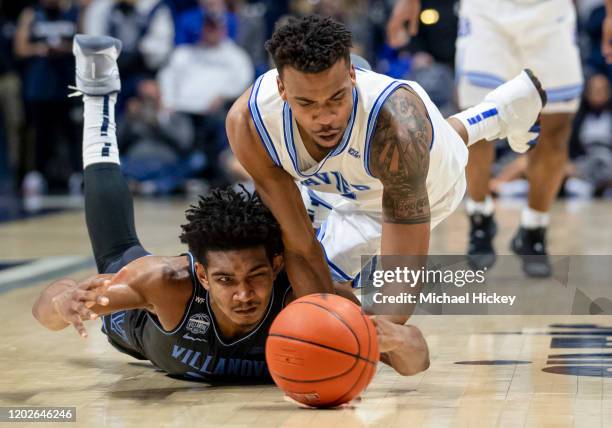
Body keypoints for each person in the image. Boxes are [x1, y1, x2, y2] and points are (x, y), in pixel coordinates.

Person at [32, 35, 429, 382]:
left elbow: (416, 361)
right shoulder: (164, 282)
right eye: (225, 280)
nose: (244, 295)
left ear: (275, 268)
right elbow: (48, 308)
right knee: (114, 250)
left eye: (256, 276)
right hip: (137, 337)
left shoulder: (302, 300)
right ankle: (99, 98)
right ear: (202, 275)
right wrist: (62, 305)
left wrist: (392, 336)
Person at [226, 15, 544, 324]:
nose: (324, 117)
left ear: (352, 74)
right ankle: (500, 109)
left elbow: (399, 279)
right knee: (299, 277)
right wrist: (320, 320)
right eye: (307, 103)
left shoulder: (399, 129)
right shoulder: (249, 124)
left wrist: (375, 335)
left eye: (336, 98)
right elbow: (299, 243)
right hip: (336, 185)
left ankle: (498, 112)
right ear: (282, 89)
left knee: (296, 294)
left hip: (425, 183)